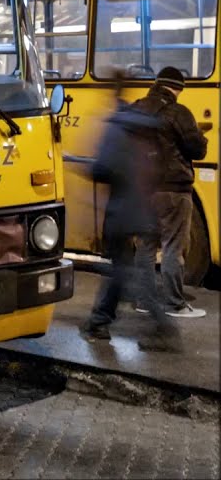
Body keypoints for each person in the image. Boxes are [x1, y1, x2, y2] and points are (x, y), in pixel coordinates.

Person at [80, 77, 181, 351]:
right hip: (144, 206)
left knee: (123, 272)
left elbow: (101, 168)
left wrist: (87, 168)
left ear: (112, 95)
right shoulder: (143, 128)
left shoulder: (115, 129)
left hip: (122, 211)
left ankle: (160, 325)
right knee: (121, 269)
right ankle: (100, 321)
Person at [132, 66, 208, 319]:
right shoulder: (178, 112)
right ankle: (174, 303)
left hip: (143, 190)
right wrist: (202, 138)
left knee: (145, 247)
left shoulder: (136, 108)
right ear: (177, 88)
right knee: (173, 248)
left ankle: (144, 301)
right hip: (173, 190)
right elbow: (196, 150)